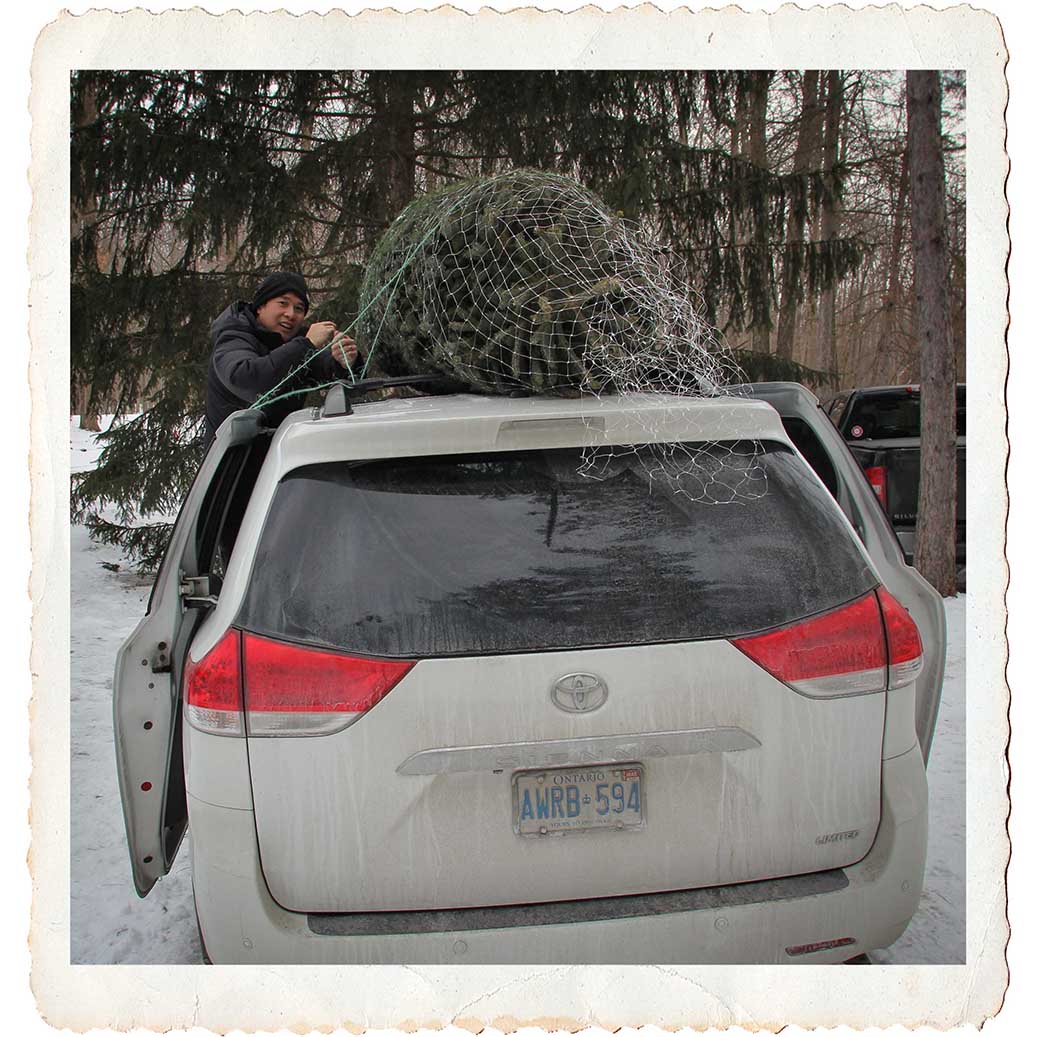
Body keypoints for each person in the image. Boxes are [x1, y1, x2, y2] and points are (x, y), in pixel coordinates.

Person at [204, 272, 359, 445]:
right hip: (232, 462)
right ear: (261, 306)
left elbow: (324, 367)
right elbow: (246, 379)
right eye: (283, 303)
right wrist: (306, 344)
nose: (291, 314)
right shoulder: (234, 337)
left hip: (280, 457)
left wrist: (344, 362)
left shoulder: (296, 343)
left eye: (299, 309)